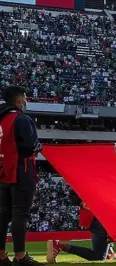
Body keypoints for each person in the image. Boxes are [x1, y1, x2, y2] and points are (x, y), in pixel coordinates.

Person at [0, 86, 43, 266]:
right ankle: (20, 257)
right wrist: (38, 146)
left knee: (2, 214)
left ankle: (2, 257)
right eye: (25, 98)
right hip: (20, 170)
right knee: (20, 212)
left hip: (2, 171)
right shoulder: (22, 119)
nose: (26, 101)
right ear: (18, 99)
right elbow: (31, 146)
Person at [46, 190, 116, 262]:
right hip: (99, 217)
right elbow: (73, 193)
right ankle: (61, 245)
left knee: (103, 244)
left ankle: (109, 253)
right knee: (99, 257)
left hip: (98, 217)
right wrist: (82, 202)